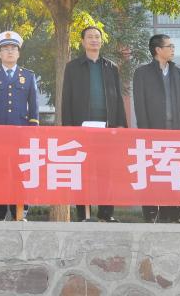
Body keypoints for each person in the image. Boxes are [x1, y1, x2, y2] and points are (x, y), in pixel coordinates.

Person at [61, 25, 126, 222]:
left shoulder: (111, 67)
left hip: (107, 127)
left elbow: (118, 97)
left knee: (106, 171)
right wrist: (68, 127)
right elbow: (66, 98)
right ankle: (84, 214)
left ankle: (106, 213)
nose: (94, 40)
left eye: (97, 37)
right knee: (82, 171)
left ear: (101, 41)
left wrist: (121, 124)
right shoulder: (73, 67)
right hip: (82, 127)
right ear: (83, 42)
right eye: (90, 37)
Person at [0, 31, 39, 221]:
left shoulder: (28, 76)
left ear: (19, 53)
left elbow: (34, 107)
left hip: (21, 134)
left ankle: (19, 212)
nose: (10, 51)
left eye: (13, 48)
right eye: (5, 49)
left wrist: (33, 130)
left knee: (21, 173)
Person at [133, 33, 180, 223]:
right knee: (152, 172)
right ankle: (151, 213)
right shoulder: (142, 73)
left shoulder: (179, 74)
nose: (173, 49)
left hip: (176, 132)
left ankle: (174, 214)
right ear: (158, 50)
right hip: (152, 132)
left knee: (174, 172)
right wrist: (145, 132)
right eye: (169, 46)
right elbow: (139, 105)